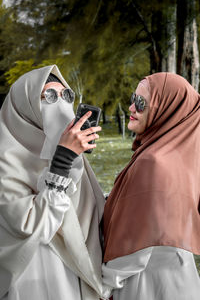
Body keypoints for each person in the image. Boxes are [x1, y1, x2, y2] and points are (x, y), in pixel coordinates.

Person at [0, 65, 108, 300]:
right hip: (32, 274)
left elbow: (90, 215)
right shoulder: (5, 159)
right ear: (24, 107)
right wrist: (61, 162)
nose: (59, 103)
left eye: (65, 95)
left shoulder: (72, 155)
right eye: (48, 95)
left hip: (73, 274)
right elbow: (30, 226)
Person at [102, 72, 200, 300]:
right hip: (178, 280)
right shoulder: (181, 158)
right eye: (132, 98)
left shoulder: (154, 162)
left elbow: (139, 248)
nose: (131, 107)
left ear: (167, 109)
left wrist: (104, 284)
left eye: (141, 102)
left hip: (145, 285)